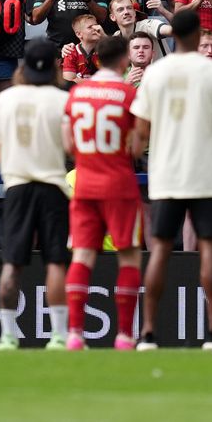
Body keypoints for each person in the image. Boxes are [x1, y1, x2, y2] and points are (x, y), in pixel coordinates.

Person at [131, 9, 212, 349]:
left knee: (159, 251)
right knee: (208, 251)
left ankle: (147, 333)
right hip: (205, 174)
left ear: (174, 35)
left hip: (167, 175)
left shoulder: (155, 75)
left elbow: (140, 133)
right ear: (197, 35)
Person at [0, 39, 70, 350]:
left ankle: (8, 335)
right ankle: (58, 335)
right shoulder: (62, 100)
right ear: (54, 66)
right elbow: (71, 146)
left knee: (11, 264)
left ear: (22, 67)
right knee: (55, 263)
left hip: (18, 188)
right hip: (52, 188)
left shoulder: (6, 99)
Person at [61, 36, 143, 350]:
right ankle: (123, 335)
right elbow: (136, 147)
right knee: (129, 257)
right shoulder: (127, 94)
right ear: (123, 59)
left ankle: (75, 334)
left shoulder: (78, 92)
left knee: (82, 255)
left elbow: (68, 144)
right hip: (119, 184)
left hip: (85, 182)